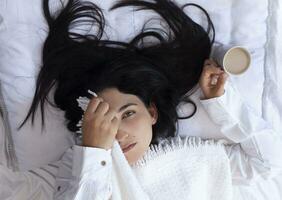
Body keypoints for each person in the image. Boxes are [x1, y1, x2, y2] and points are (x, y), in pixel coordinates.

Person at [18, 0, 282, 199]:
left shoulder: (198, 161)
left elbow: (269, 162)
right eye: (103, 120)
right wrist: (94, 153)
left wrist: (221, 103)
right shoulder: (73, 171)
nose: (118, 133)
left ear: (152, 112)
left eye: (128, 113)